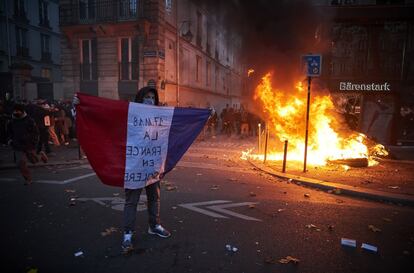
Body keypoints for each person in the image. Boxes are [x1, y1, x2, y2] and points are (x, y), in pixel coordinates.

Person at [73, 87, 171, 254]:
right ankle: (127, 233)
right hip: (134, 167)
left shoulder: (161, 114)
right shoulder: (129, 112)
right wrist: (79, 107)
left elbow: (180, 120)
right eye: (147, 97)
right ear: (140, 98)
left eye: (153, 97)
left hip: (152, 165)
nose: (150, 100)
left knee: (154, 198)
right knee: (131, 201)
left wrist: (205, 114)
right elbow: (105, 117)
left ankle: (154, 226)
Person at [7, 103, 47, 185]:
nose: (16, 112)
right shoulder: (11, 121)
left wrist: (33, 142)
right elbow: (9, 132)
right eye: (15, 111)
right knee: (20, 162)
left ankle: (41, 155)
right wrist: (10, 140)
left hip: (29, 144)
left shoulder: (29, 120)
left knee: (34, 161)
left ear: (22, 111)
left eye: (18, 111)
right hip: (17, 145)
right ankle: (28, 179)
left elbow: (36, 133)